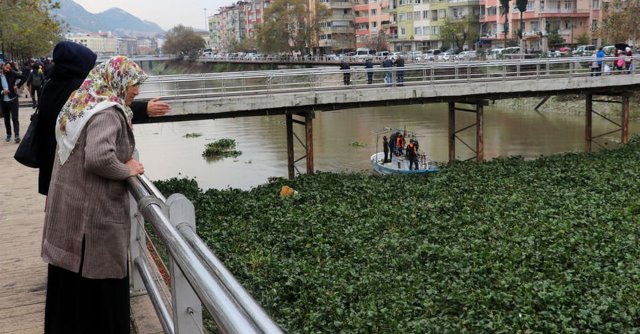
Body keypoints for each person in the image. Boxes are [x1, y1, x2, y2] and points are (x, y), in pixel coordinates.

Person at [41, 55, 148, 334]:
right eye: (135, 84)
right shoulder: (107, 112)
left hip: (70, 211)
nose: (137, 91)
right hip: (92, 218)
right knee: (98, 292)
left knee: (70, 295)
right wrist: (127, 168)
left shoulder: (82, 102)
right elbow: (99, 158)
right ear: (119, 81)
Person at [36, 41, 171, 197]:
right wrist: (145, 108)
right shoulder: (81, 90)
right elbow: (102, 107)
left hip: (56, 164)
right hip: (75, 175)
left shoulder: (51, 83)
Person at [1, 61, 27, 143]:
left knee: (15, 118)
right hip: (3, 101)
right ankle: (9, 134)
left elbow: (24, 77)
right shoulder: (0, 75)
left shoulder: (12, 73)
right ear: (3, 67)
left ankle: (17, 135)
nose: (8, 69)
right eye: (6, 67)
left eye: (9, 67)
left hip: (13, 99)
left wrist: (17, 86)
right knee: (7, 118)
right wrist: (2, 92)